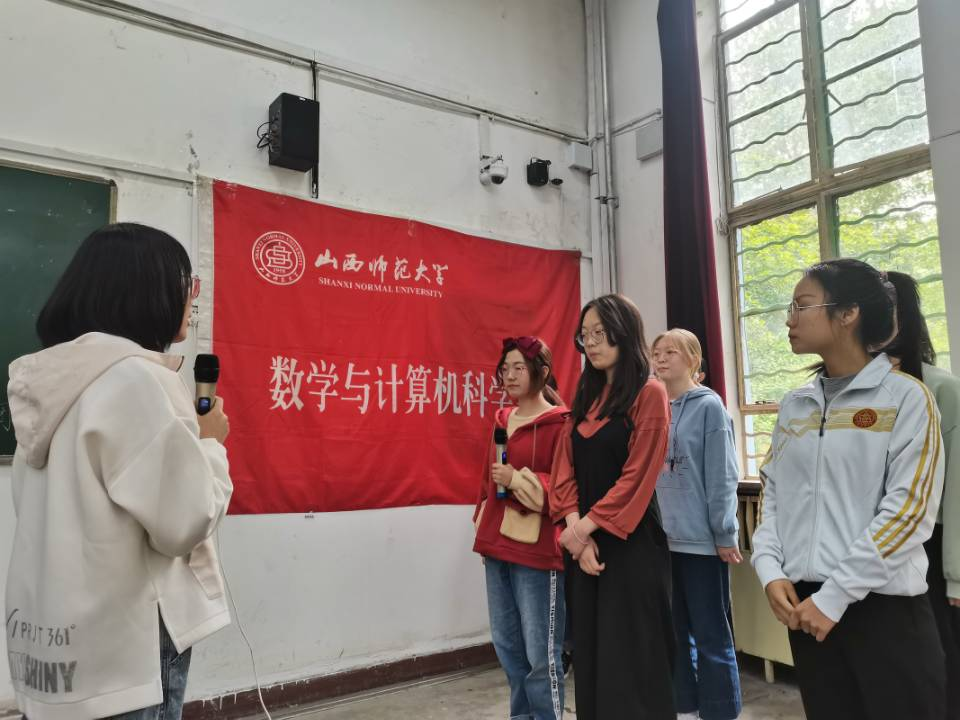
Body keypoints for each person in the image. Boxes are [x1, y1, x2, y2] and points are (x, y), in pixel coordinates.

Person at [5, 223, 233, 720]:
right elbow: (184, 523)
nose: (192, 297)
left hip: (54, 644)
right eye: (185, 282)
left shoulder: (47, 381)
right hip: (125, 653)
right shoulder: (136, 380)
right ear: (147, 290)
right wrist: (210, 444)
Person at [751, 258, 945, 720]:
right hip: (806, 609)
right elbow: (773, 496)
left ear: (848, 313)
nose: (789, 319)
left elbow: (908, 514)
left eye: (802, 306)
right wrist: (770, 570)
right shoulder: (796, 405)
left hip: (883, 612)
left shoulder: (906, 399)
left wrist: (835, 596)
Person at [550, 294, 675, 719]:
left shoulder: (649, 393)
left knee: (631, 658)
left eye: (600, 333)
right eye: (584, 335)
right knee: (591, 652)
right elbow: (563, 468)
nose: (591, 343)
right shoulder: (585, 395)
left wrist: (582, 531)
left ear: (624, 332)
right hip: (584, 548)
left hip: (631, 545)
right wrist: (577, 535)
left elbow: (637, 478)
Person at [473, 336, 569, 720]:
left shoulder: (560, 424)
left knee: (541, 654)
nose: (509, 376)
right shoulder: (501, 421)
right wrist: (484, 529)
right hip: (497, 546)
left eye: (518, 368)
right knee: (508, 647)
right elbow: (487, 483)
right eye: (505, 369)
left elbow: (564, 488)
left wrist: (516, 479)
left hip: (538, 550)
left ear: (541, 372)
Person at [652, 328, 742, 720]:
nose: (661, 358)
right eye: (656, 352)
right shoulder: (652, 407)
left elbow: (722, 475)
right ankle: (684, 708)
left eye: (670, 351)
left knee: (711, 635)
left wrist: (724, 532)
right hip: (662, 543)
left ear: (693, 359)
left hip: (702, 543)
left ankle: (721, 711)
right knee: (673, 635)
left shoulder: (710, 408)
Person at [883, 270, 960, 718]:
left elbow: (955, 491)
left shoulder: (941, 388)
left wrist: (955, 573)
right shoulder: (844, 393)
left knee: (937, 672)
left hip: (930, 545)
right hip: (873, 547)